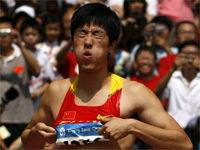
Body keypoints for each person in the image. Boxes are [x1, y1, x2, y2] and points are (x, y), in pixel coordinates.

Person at [21, 3, 193, 150]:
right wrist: (37, 134)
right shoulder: (56, 92)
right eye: (82, 33)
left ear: (111, 45)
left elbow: (184, 144)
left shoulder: (133, 92)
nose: (88, 41)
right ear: (72, 42)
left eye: (97, 34)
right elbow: (28, 144)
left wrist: (133, 126)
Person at [0, 16, 40, 148]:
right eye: (0, 32)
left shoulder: (22, 54)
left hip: (23, 117)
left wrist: (20, 44)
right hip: (2, 119)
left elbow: (36, 71)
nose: (4, 36)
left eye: (7, 32)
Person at [154, 40, 200, 130]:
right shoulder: (172, 77)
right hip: (175, 130)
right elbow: (156, 95)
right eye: (186, 53)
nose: (190, 56)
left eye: (194, 53)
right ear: (178, 56)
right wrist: (172, 69)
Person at [20, 18, 55, 112]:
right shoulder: (17, 54)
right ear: (21, 35)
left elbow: (49, 80)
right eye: (27, 34)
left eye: (34, 34)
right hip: (21, 100)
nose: (30, 37)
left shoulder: (43, 54)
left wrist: (39, 90)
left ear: (39, 36)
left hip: (39, 101)